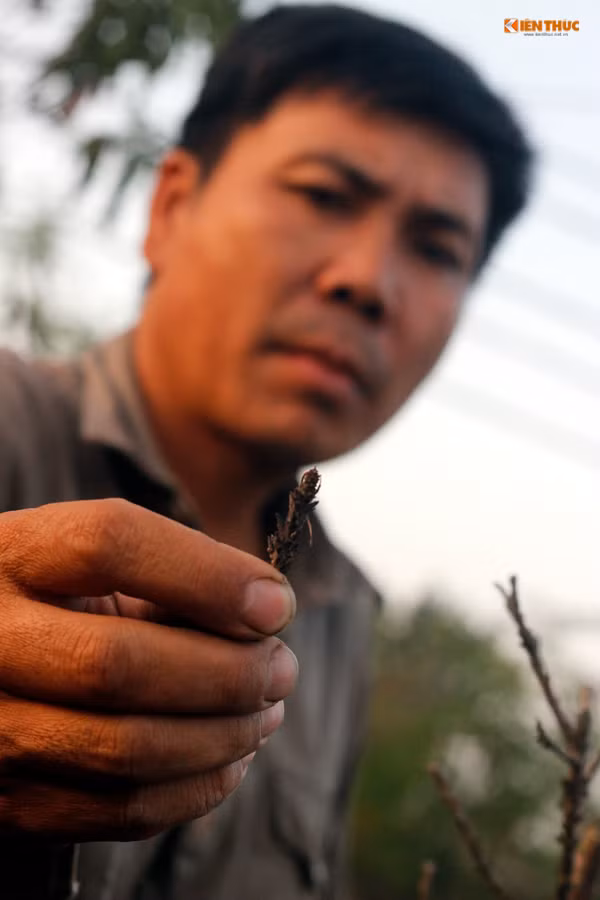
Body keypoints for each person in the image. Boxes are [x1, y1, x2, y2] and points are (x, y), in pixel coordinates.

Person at [0, 4, 532, 898]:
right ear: (171, 206)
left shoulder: (340, 615)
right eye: (325, 196)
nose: (368, 281)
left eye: (437, 248)